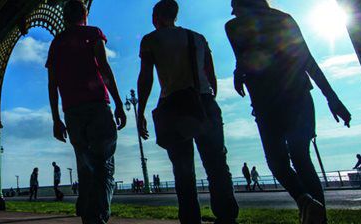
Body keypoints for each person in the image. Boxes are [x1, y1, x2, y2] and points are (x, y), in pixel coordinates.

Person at [225, 0, 352, 223]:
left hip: (270, 102)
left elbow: (244, 58)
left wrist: (239, 72)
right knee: (301, 158)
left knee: (278, 161)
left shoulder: (234, 27)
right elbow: (306, 58)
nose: (233, 11)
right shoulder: (281, 18)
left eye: (235, 5)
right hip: (296, 97)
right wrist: (331, 98)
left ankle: (306, 203)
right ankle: (313, 210)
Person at [136, 1, 239, 223]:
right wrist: (206, 100)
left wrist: (141, 111)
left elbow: (146, 78)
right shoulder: (198, 38)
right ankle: (227, 216)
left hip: (175, 106)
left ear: (157, 17)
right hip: (204, 102)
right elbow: (211, 77)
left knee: (183, 170)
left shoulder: (150, 40)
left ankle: (191, 219)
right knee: (217, 165)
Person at [45, 1, 126, 222]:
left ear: (64, 17)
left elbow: (52, 85)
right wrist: (118, 102)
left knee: (86, 165)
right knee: (104, 164)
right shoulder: (93, 33)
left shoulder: (56, 43)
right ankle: (98, 216)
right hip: (97, 105)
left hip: (72, 112)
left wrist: (56, 119)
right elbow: (103, 67)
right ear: (85, 13)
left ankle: (89, 215)